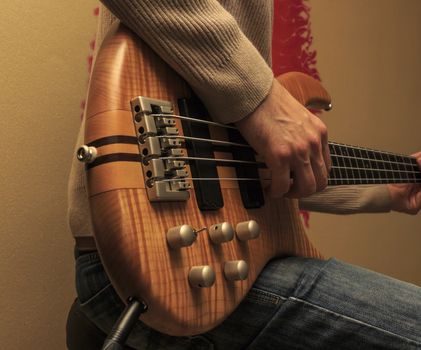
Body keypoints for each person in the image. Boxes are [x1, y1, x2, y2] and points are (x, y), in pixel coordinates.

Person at [66, 2, 421, 349]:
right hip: (150, 264)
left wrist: (388, 191)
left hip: (213, 258)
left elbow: (241, 165)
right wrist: (262, 99)